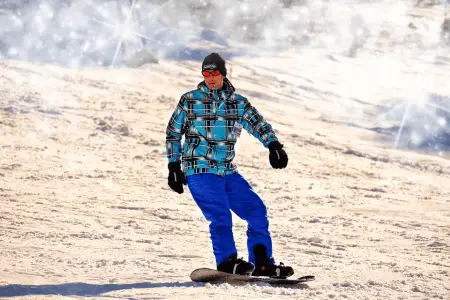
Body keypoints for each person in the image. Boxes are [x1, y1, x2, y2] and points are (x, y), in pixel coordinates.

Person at [165, 53, 293, 278]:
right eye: (206, 73)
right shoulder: (189, 100)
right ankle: (226, 262)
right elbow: (174, 133)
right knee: (221, 216)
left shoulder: (238, 103)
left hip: (227, 170)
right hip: (200, 169)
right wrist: (174, 166)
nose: (211, 77)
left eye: (215, 73)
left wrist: (273, 145)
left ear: (223, 74)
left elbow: (257, 123)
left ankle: (262, 262)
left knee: (256, 211)